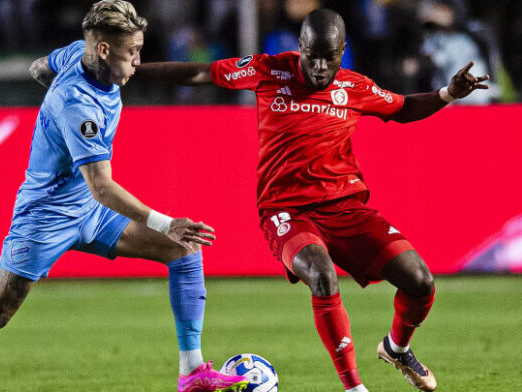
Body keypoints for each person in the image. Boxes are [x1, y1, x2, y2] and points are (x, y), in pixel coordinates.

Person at [0, 2, 248, 391]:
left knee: (183, 250)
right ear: (103, 50)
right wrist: (166, 222)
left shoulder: (74, 54)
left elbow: (39, 68)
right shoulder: (78, 105)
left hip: (89, 212)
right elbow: (101, 186)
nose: (138, 61)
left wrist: (50, 119)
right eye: (132, 52)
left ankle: (192, 372)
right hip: (45, 219)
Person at [132, 8, 489, 392]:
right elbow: (199, 73)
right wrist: (133, 70)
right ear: (299, 46)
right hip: (286, 210)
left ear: (343, 51)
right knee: (321, 275)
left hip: (347, 207)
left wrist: (449, 93)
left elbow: (403, 108)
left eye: (329, 57)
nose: (319, 67)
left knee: (420, 281)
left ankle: (396, 348)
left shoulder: (355, 88)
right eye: (311, 55)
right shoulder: (269, 70)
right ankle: (354, 387)